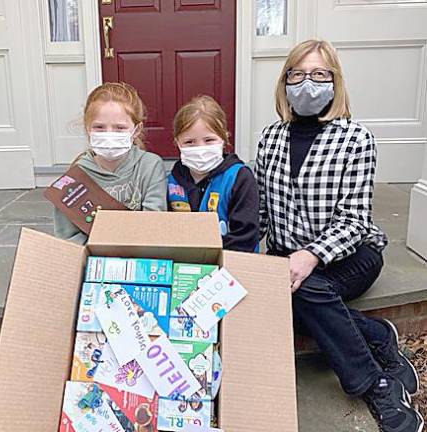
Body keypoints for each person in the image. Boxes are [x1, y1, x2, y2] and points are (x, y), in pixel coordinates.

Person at [255, 39, 423, 432]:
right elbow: (261, 210)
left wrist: (310, 255)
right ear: (285, 82)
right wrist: (241, 252)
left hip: (350, 255)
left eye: (319, 74)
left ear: (335, 82)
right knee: (288, 296)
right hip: (286, 257)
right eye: (297, 74)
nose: (306, 83)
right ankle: (377, 335)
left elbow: (353, 220)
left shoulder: (355, 139)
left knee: (305, 290)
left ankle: (374, 385)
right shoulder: (270, 137)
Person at [53, 82, 167, 244]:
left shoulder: (150, 166)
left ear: (136, 130)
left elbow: (154, 220)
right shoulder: (74, 177)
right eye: (99, 127)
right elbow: (68, 237)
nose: (109, 134)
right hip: (93, 260)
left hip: (141, 254)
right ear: (87, 129)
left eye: (119, 128)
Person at [167, 95, 259, 252]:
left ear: (224, 138)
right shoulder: (173, 180)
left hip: (233, 260)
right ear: (177, 143)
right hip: (184, 261)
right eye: (189, 142)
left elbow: (246, 236)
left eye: (209, 140)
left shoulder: (239, 178)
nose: (200, 148)